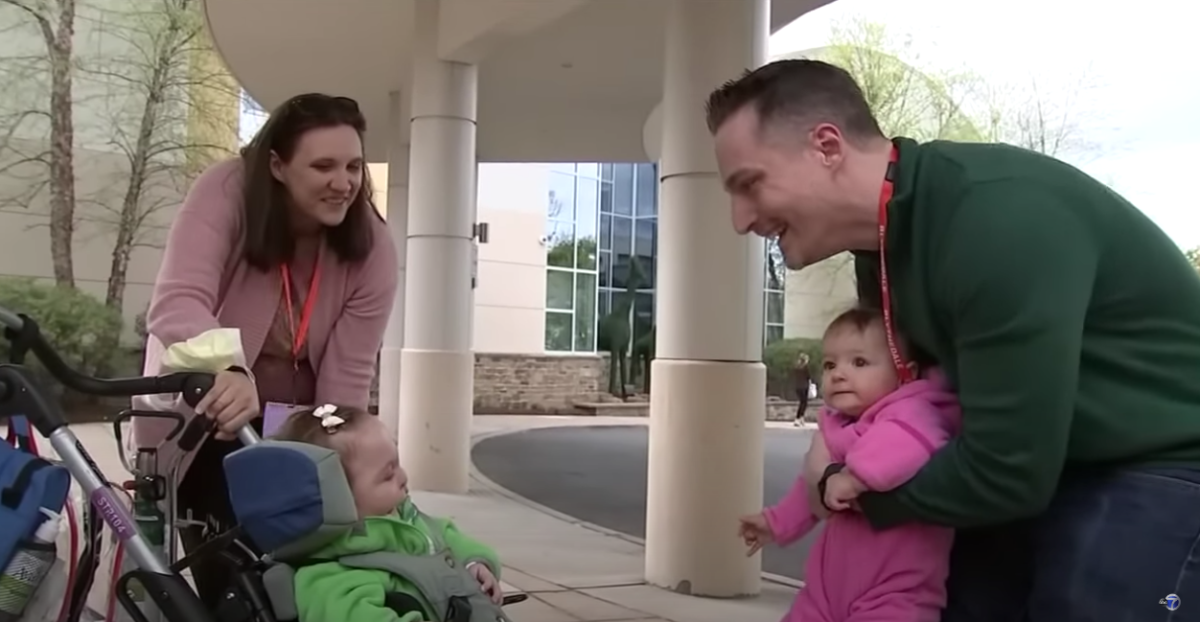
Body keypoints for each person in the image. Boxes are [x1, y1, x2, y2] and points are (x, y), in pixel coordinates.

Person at [706, 58, 1200, 621]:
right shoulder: (883, 251)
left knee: (1095, 603)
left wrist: (846, 486)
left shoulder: (995, 223)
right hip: (1041, 465)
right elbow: (919, 413)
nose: (740, 219)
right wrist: (834, 455)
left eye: (749, 185)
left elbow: (1007, 472)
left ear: (826, 146)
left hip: (1167, 462)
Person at [133, 93, 398, 609]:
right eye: (322, 165)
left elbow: (347, 378)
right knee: (238, 584)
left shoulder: (373, 246)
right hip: (208, 418)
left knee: (310, 576)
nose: (343, 183)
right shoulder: (226, 191)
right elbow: (176, 303)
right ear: (276, 165)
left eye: (353, 166)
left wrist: (348, 460)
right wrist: (226, 367)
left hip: (299, 432)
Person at [740, 308, 960, 622]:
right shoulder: (840, 426)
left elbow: (905, 444)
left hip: (895, 594)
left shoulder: (915, 411)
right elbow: (812, 487)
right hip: (825, 591)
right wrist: (776, 522)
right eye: (830, 364)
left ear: (905, 373)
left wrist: (853, 477)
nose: (839, 373)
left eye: (859, 362)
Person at [273, 405, 505, 622]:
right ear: (337, 498)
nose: (403, 477)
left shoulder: (405, 518)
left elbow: (445, 534)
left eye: (398, 464)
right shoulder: (334, 579)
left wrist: (474, 562)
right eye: (387, 475)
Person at [792, 351, 812, 425]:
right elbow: (808, 377)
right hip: (804, 386)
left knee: (802, 402)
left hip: (798, 387)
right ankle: (798, 418)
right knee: (803, 403)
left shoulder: (797, 367)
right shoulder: (805, 367)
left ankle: (801, 418)